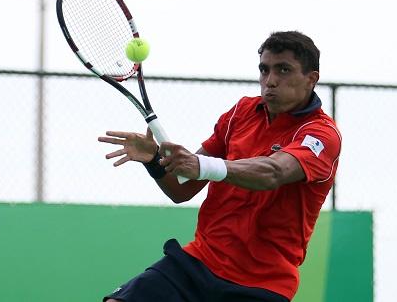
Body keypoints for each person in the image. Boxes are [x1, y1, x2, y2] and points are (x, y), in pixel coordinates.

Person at [98, 31, 342, 302]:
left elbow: (274, 172)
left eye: (284, 70)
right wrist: (154, 160)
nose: (270, 81)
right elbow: (183, 189)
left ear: (312, 78)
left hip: (262, 284)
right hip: (198, 262)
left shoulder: (321, 135)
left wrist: (202, 165)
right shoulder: (241, 113)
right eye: (264, 70)